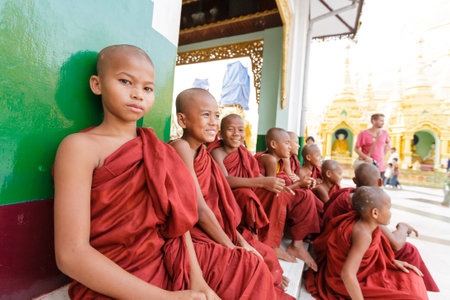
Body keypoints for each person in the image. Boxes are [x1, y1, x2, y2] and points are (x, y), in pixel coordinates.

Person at [53, 45, 219, 299]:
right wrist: (166, 298)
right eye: (125, 81)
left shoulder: (159, 151)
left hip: (168, 268)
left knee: (251, 273)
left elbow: (179, 225)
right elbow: (71, 255)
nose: (138, 95)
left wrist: (199, 285)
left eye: (147, 88)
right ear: (97, 85)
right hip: (111, 283)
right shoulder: (79, 148)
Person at [171, 89, 293, 299]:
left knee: (263, 253)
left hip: (214, 225)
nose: (213, 122)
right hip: (190, 233)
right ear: (182, 120)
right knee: (250, 263)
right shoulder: (182, 147)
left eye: (216, 115)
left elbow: (216, 205)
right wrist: (232, 246)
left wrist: (240, 241)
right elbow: (199, 208)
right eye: (205, 115)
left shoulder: (202, 153)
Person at [321, 163, 439, 292]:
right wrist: (403, 227)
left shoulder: (350, 195)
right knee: (409, 251)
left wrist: (390, 260)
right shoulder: (368, 208)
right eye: (388, 208)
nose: (389, 211)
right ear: (380, 181)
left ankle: (411, 285)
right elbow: (396, 244)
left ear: (355, 181)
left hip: (337, 250)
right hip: (344, 263)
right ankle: (407, 287)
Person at [305, 187, 428, 299]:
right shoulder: (363, 234)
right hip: (345, 283)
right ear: (375, 213)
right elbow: (347, 273)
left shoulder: (367, 224)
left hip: (363, 273)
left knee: (412, 276)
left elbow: (371, 255)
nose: (391, 213)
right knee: (413, 296)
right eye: (389, 208)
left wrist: (391, 262)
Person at [208, 114, 295, 264]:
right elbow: (225, 181)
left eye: (241, 130)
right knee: (247, 194)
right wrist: (262, 182)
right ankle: (253, 237)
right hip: (225, 195)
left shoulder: (243, 153)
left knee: (277, 194)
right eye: (231, 129)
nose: (236, 134)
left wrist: (273, 183)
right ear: (220, 134)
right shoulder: (217, 152)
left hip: (245, 188)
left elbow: (256, 174)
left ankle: (269, 241)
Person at [255, 128, 322, 271]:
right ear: (273, 144)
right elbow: (272, 186)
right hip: (264, 192)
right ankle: (273, 245)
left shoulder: (284, 159)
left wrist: (302, 183)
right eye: (288, 143)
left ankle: (297, 244)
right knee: (284, 196)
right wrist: (299, 184)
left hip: (275, 188)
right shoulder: (270, 159)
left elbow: (286, 179)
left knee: (306, 195)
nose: (292, 147)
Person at [354, 113, 390, 179]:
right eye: (381, 121)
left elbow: (388, 144)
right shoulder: (363, 134)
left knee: (379, 187)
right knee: (365, 187)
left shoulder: (385, 133)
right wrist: (366, 157)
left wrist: (383, 155)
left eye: (383, 121)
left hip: (380, 166)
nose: (383, 123)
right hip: (367, 166)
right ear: (373, 121)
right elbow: (356, 149)